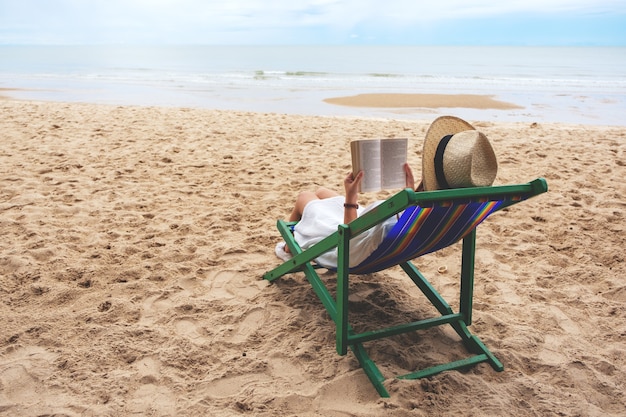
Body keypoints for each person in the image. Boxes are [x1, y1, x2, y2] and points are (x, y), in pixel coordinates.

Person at [275, 115, 498, 269]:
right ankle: (292, 242)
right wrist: (410, 196)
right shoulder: (451, 209)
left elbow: (350, 243)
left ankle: (289, 248)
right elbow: (395, 223)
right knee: (323, 191)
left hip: (350, 244)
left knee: (305, 196)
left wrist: (351, 199)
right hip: (372, 230)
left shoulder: (411, 214)